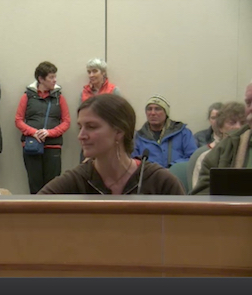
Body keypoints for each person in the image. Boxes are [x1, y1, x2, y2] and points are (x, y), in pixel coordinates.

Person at [39, 95, 185, 195]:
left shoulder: (161, 182)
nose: (81, 136)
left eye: (91, 127)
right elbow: (31, 212)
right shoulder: (76, 180)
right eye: (80, 127)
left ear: (119, 131)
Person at [15, 61, 71, 194]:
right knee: (35, 184)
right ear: (41, 79)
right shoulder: (27, 96)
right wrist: (33, 132)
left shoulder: (59, 97)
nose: (55, 80)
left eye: (55, 76)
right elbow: (18, 120)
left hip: (53, 146)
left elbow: (66, 121)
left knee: (53, 185)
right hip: (32, 145)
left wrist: (50, 133)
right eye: (51, 77)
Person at [192, 83, 252, 195]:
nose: (251, 107)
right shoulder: (221, 151)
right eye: (248, 103)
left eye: (241, 122)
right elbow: (201, 197)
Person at [189, 101, 246, 189]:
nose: (238, 127)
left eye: (243, 123)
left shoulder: (248, 153)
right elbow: (200, 193)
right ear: (220, 127)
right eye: (232, 122)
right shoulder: (206, 156)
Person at [132, 95, 197, 168]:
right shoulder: (139, 137)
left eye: (157, 109)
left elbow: (193, 158)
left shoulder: (182, 133)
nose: (152, 113)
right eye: (149, 109)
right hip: (150, 174)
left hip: (176, 174)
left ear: (166, 113)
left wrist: (173, 167)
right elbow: (134, 162)